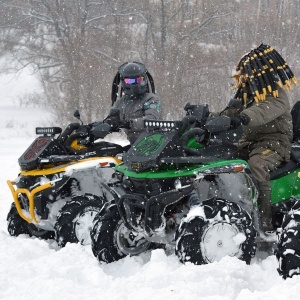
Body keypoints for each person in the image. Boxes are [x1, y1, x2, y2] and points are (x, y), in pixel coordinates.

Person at [213, 44, 297, 233]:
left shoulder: (276, 95)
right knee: (222, 158)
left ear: (259, 73)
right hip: (249, 143)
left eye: (247, 73)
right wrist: (208, 118)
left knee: (257, 165)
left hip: (274, 143)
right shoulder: (248, 95)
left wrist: (243, 117)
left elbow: (262, 112)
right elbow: (230, 112)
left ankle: (265, 222)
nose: (243, 77)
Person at [106, 61, 162, 144]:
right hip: (129, 147)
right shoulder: (121, 103)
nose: (135, 83)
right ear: (123, 82)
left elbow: (152, 119)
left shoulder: (151, 99)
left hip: (152, 146)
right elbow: (110, 120)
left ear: (144, 79)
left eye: (139, 79)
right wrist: (106, 124)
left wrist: (130, 123)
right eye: (130, 81)